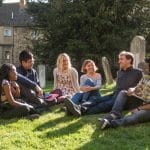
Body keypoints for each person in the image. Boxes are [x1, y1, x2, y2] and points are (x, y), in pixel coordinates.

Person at [64, 51, 143, 117]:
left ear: (129, 60)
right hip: (114, 94)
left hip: (125, 99)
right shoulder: (119, 72)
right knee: (95, 99)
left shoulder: (138, 72)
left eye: (121, 59)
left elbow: (142, 87)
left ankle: (76, 111)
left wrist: (134, 89)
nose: (119, 61)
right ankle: (78, 108)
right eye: (119, 59)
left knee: (103, 105)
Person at [99, 57, 150, 129]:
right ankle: (114, 114)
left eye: (147, 66)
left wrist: (139, 109)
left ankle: (111, 124)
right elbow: (138, 87)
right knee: (123, 93)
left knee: (135, 117)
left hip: (148, 108)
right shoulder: (146, 76)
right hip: (141, 101)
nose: (145, 68)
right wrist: (133, 89)